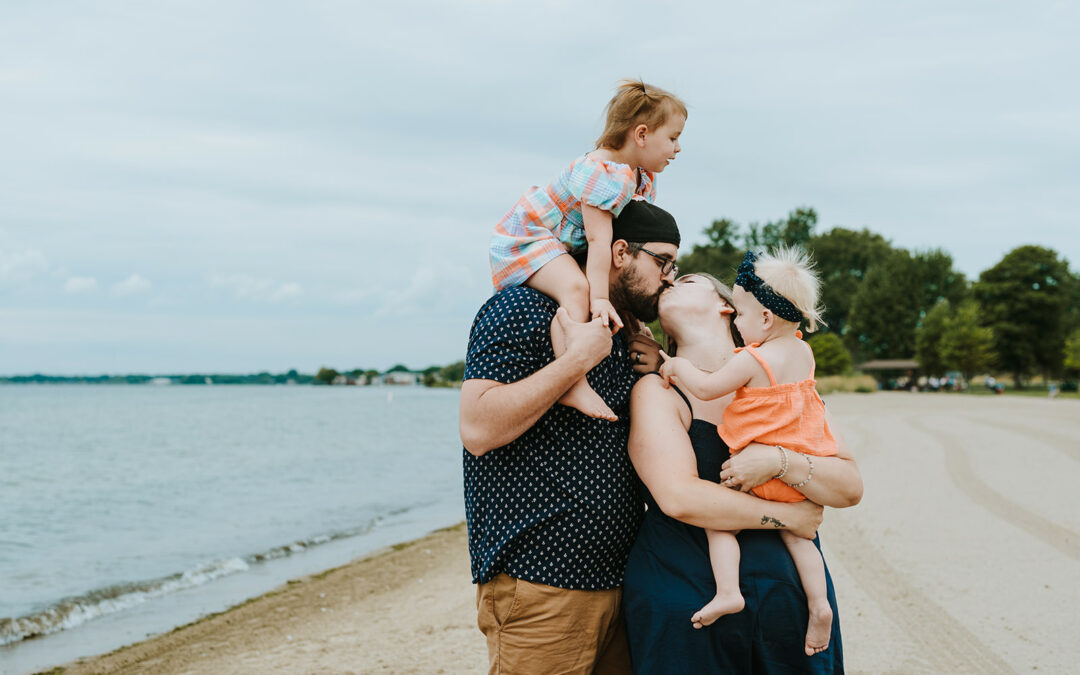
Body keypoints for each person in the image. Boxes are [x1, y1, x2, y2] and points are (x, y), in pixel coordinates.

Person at [461, 199, 712, 674]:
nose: (670, 277)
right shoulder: (523, 308)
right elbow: (477, 428)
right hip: (543, 584)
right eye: (663, 262)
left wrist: (660, 370)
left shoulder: (622, 331)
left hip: (622, 581)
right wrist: (576, 361)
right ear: (620, 252)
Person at [624, 272, 863, 674]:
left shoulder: (787, 386)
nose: (669, 279)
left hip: (786, 603)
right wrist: (790, 516)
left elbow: (849, 488)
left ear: (726, 307)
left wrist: (778, 461)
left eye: (685, 277)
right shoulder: (659, 390)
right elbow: (680, 496)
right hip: (688, 599)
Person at [658, 248, 837, 655]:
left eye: (741, 315)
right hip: (797, 471)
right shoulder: (803, 354)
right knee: (799, 538)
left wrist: (674, 368)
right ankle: (820, 603)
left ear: (765, 318)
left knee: (719, 520)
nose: (739, 323)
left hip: (756, 469)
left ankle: (727, 590)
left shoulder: (753, 359)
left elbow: (705, 387)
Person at [489, 79, 686, 421]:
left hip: (557, 241)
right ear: (641, 135)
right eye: (672, 138)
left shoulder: (636, 175)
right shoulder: (602, 173)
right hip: (528, 236)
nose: (677, 148)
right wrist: (599, 300)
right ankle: (573, 381)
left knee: (584, 287)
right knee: (577, 289)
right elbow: (599, 243)